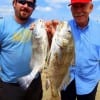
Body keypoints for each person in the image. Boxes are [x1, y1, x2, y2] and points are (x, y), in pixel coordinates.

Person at [0, 0, 50, 100]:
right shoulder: (2, 24)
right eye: (22, 2)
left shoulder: (37, 24)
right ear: (14, 3)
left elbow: (50, 44)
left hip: (35, 83)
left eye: (30, 4)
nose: (26, 6)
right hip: (10, 85)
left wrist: (48, 32)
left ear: (34, 8)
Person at [60, 0, 100, 100]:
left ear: (91, 8)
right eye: (75, 7)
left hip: (89, 83)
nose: (78, 11)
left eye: (82, 6)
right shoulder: (64, 28)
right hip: (66, 80)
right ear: (71, 9)